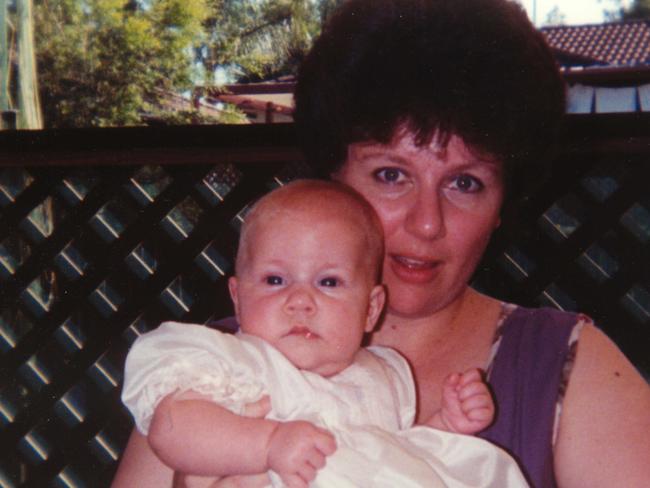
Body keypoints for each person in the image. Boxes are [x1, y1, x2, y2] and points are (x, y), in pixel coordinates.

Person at [112, 1, 650, 487]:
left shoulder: (565, 369)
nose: (427, 223)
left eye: (466, 183)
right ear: (332, 176)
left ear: (503, 203)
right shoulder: (213, 373)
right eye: (392, 174)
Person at [119, 180, 528, 488]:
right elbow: (171, 428)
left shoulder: (384, 375)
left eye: (329, 283)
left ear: (370, 309)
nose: (301, 301)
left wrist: (445, 426)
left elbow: (399, 457)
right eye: (276, 279)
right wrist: (267, 444)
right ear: (238, 297)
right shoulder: (233, 363)